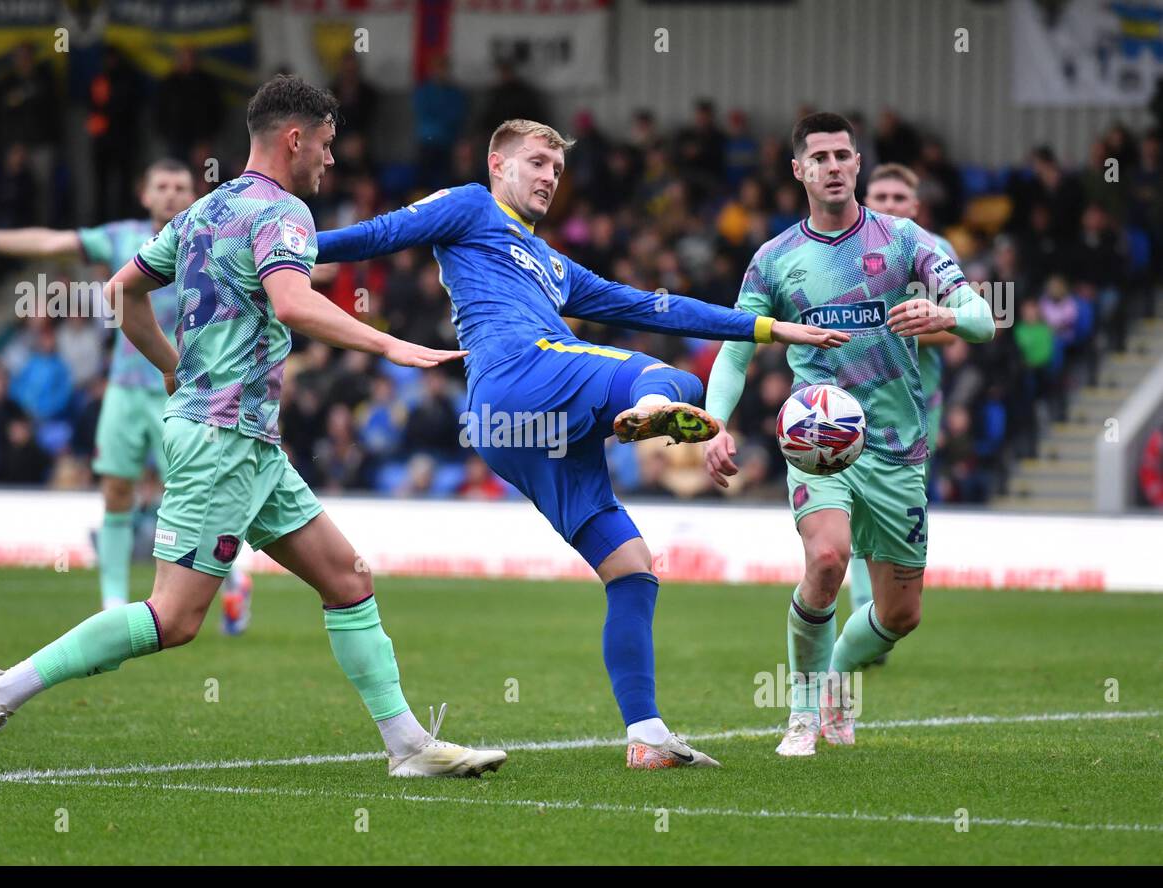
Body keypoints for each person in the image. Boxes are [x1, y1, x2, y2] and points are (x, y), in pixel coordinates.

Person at [0, 76, 506, 780]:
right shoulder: (287, 212)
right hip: (223, 441)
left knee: (348, 577)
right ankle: (0, 689)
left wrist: (172, 365)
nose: (332, 161)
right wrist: (387, 343)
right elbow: (294, 302)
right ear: (295, 139)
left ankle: (406, 745)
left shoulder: (201, 212)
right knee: (174, 618)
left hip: (247, 440)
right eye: (327, 145)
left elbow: (120, 289)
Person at [315, 118, 846, 769]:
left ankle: (647, 736)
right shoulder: (471, 206)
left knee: (633, 568)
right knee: (672, 377)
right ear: (497, 163)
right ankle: (648, 412)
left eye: (558, 170)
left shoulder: (555, 266)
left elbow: (657, 307)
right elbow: (379, 234)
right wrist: (283, 252)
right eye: (537, 162)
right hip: (518, 375)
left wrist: (767, 328)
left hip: (513, 432)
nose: (548, 177)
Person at [703, 112, 995, 757]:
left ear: (857, 164)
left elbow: (982, 318)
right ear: (798, 170)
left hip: (899, 447)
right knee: (828, 560)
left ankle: (833, 679)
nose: (834, 166)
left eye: (844, 155)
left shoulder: (904, 241)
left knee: (900, 614)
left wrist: (944, 310)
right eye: (821, 157)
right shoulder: (774, 260)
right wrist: (716, 422)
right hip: (820, 438)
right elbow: (734, 350)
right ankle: (801, 716)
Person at [0, 160, 257, 633]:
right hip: (125, 390)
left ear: (194, 194)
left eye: (180, 187)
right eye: (161, 186)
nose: (170, 194)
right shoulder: (121, 237)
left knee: (205, 500)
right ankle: (112, 604)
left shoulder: (211, 237)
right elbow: (50, 241)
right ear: (144, 195)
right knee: (116, 491)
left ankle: (235, 582)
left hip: (188, 394)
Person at [856, 162, 963, 662]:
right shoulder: (840, 250)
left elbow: (964, 326)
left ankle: (882, 612)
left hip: (915, 406)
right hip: (852, 402)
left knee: (894, 507)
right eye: (881, 195)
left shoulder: (931, 250)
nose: (891, 204)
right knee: (851, 504)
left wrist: (898, 326)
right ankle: (866, 610)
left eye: (901, 198)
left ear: (916, 207)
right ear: (864, 196)